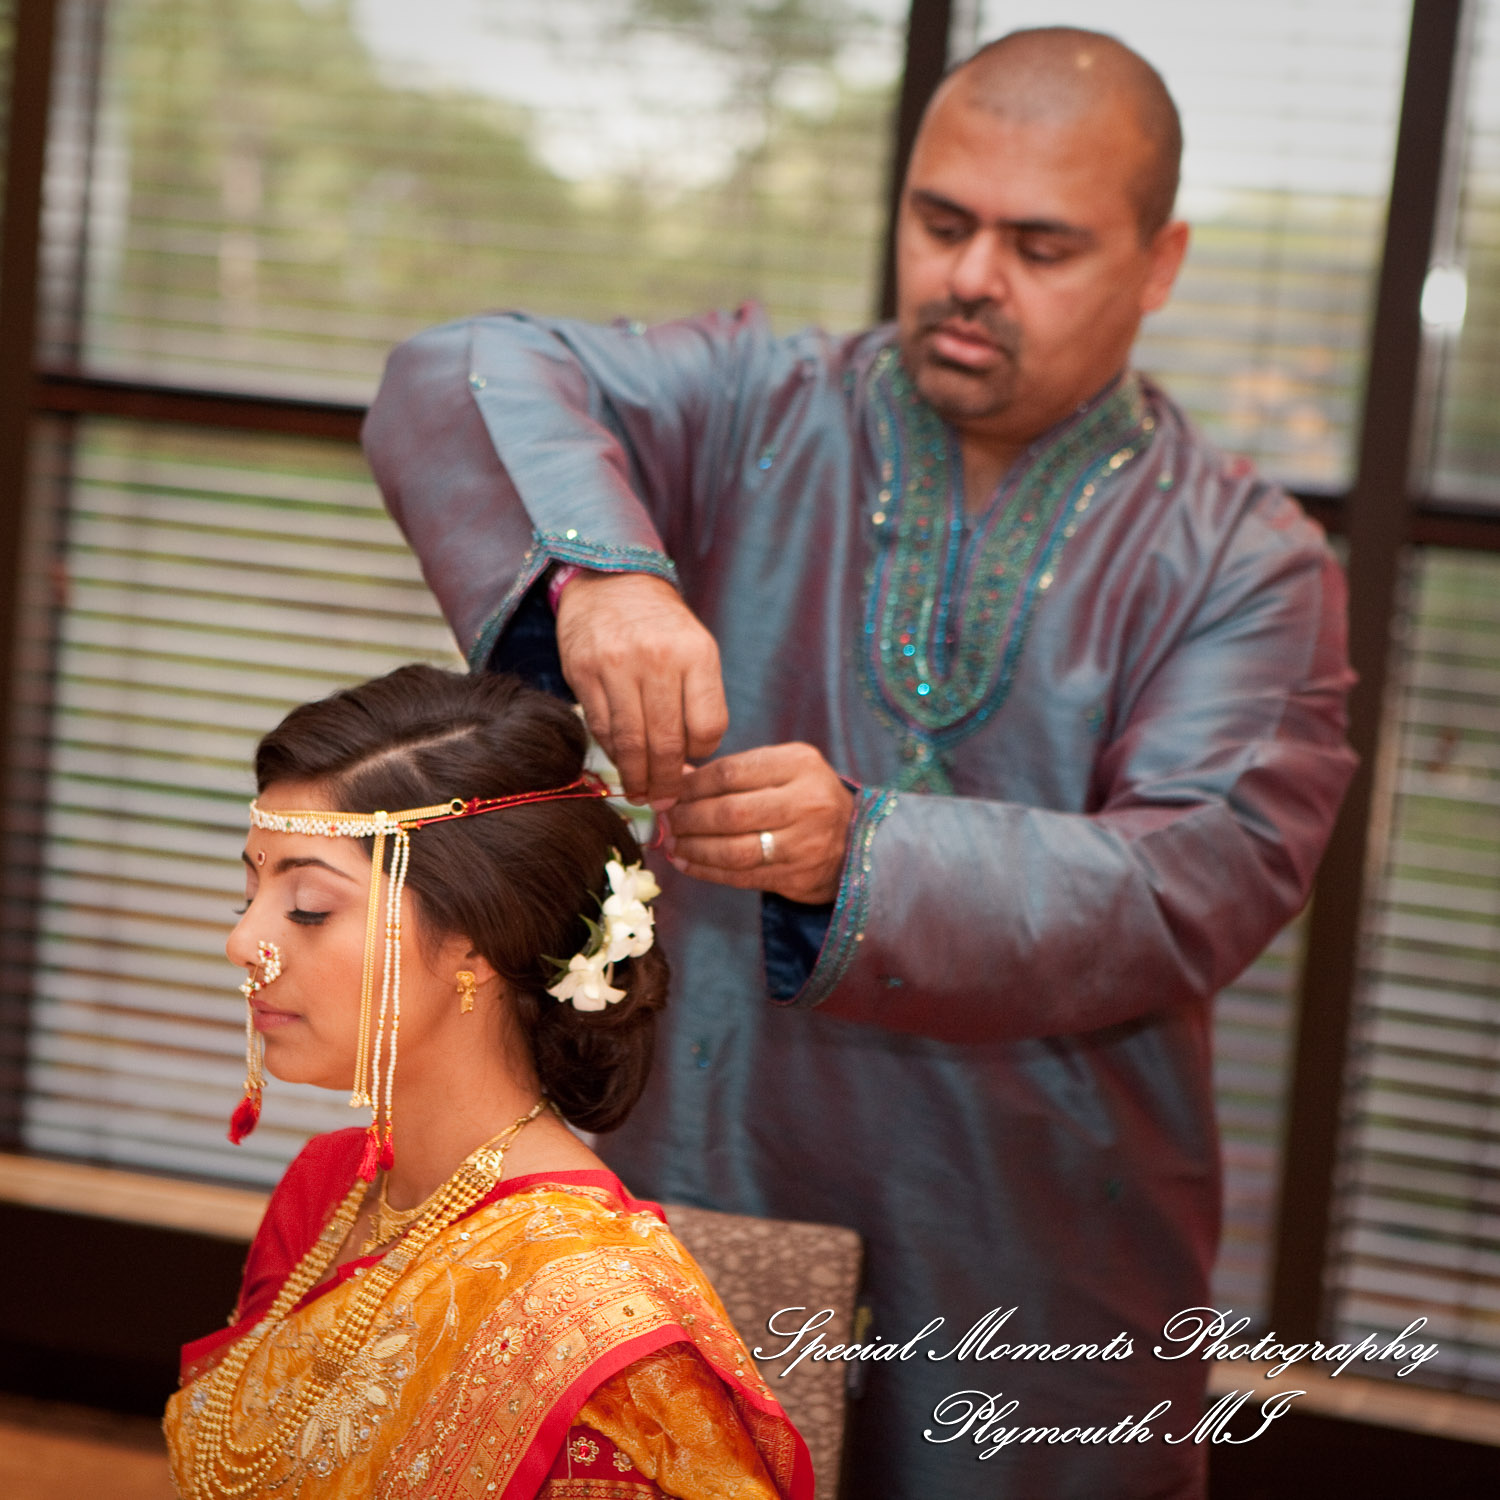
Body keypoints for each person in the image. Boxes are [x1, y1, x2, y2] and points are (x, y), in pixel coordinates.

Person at [362, 28, 1357, 1500]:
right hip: (719, 1159)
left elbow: (1197, 879)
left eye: (1043, 245)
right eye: (942, 222)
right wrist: (602, 577)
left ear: (1161, 265)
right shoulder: (761, 408)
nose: (972, 276)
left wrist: (864, 858)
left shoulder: (1249, 561)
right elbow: (462, 371)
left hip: (1041, 1228)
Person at [162, 665, 813, 1500]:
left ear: (475, 939)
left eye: (309, 908)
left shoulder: (595, 1328)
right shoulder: (331, 1188)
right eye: (249, 893)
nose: (243, 941)